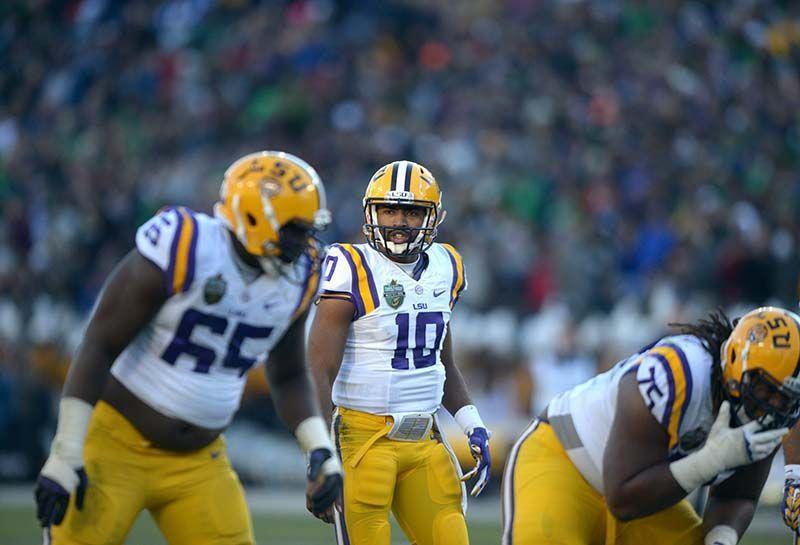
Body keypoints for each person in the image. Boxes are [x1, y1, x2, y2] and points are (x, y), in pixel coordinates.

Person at [34, 151, 343, 545]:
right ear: (255, 217)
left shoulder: (299, 277)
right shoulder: (186, 245)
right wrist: (66, 450)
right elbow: (99, 344)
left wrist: (319, 450)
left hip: (200, 460)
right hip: (114, 446)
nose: (305, 244)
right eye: (295, 231)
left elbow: (288, 374)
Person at [502, 307, 800, 545]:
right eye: (765, 389)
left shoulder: (773, 414)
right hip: (566, 460)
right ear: (736, 362)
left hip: (645, 497)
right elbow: (621, 496)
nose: (772, 404)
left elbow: (738, 495)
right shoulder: (679, 371)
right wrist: (711, 460)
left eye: (785, 399)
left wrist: (722, 538)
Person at [308, 160, 491, 545]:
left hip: (425, 441)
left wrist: (473, 424)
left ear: (433, 217)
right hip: (362, 440)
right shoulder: (350, 265)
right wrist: (320, 453)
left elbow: (443, 362)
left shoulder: (447, 265)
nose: (398, 221)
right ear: (370, 212)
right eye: (389, 209)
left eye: (411, 211)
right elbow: (319, 369)